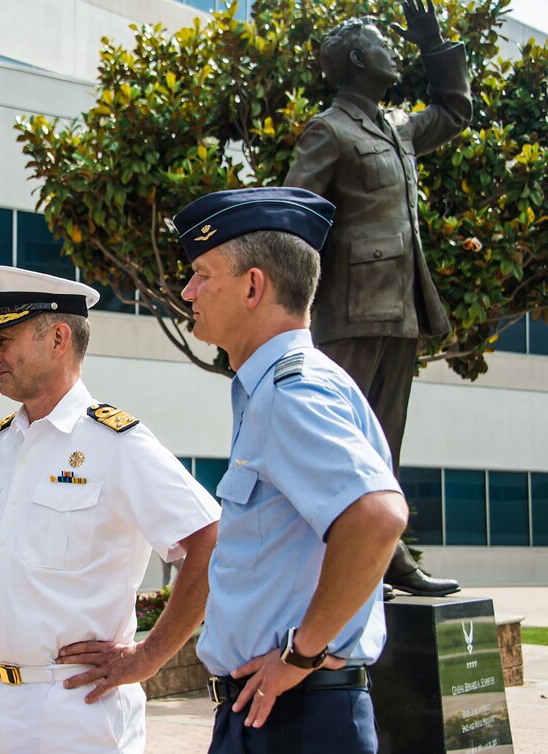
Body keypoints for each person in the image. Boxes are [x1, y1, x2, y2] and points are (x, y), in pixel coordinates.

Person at [173, 187, 410, 753]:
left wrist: (301, 654)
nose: (187, 292)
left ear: (254, 286)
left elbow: (377, 516)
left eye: (203, 274)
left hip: (296, 716)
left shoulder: (290, 392)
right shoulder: (287, 385)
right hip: (279, 710)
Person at [0, 265, 220, 754]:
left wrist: (149, 657)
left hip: (74, 710)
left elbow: (210, 540)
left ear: (57, 338)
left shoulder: (117, 443)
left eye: (4, 339)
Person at [283, 0, 470, 596]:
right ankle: (326, 570)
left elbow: (455, 109)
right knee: (341, 446)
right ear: (359, 60)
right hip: (348, 313)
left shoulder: (397, 127)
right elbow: (293, 218)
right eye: (385, 44)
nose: (396, 52)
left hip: (401, 308)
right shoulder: (329, 129)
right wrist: (294, 311)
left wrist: (431, 38)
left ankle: (385, 561)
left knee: (383, 444)